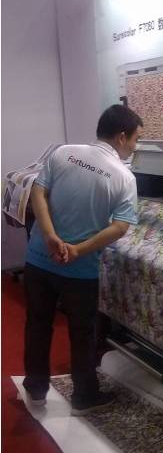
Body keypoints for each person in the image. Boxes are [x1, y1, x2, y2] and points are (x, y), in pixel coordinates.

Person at [22, 104, 143, 415]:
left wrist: (50, 235)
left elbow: (37, 193)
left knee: (37, 324)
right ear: (121, 137)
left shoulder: (63, 153)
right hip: (80, 271)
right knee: (82, 333)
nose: (135, 146)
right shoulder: (124, 177)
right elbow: (121, 226)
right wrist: (78, 250)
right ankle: (84, 397)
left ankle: (36, 390)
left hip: (38, 259)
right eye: (135, 139)